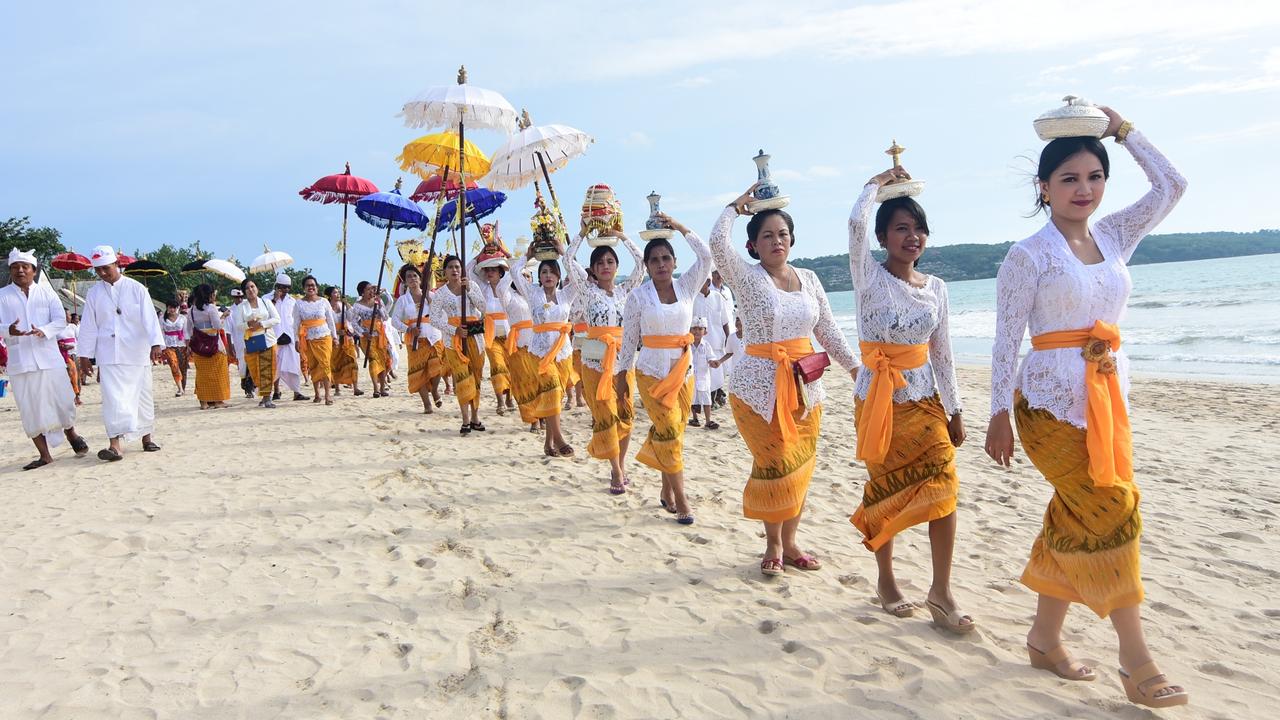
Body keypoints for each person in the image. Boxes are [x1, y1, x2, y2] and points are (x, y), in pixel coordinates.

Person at [984, 108, 1189, 707]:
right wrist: (999, 411)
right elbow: (1005, 339)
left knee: (1077, 514)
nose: (1085, 189)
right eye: (1070, 178)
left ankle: (1045, 639)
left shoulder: (1117, 235)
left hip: (1105, 400)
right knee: (1112, 505)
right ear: (1043, 188)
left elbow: (1173, 186)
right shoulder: (1028, 255)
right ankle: (1136, 658)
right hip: (1047, 406)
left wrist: (1125, 133)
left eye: (1095, 176)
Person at [843, 169, 971, 632]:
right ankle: (886, 581)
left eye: (918, 229)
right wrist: (872, 185)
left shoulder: (936, 288)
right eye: (901, 228)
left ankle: (941, 591)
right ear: (882, 237)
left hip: (926, 403)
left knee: (945, 490)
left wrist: (955, 409)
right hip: (879, 402)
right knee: (885, 491)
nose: (912, 237)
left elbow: (943, 353)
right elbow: (854, 225)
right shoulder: (868, 278)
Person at [710, 188, 859, 572]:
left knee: (800, 465)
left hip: (807, 390)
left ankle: (792, 543)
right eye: (767, 236)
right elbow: (715, 241)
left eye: (783, 235)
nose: (777, 241)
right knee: (775, 463)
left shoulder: (809, 278)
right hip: (756, 391)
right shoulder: (745, 277)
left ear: (792, 239)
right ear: (753, 245)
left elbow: (827, 329)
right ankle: (773, 545)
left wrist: (856, 368)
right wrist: (733, 207)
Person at [617, 212, 710, 524]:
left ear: (674, 261)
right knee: (669, 431)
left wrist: (680, 227)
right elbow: (629, 339)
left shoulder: (686, 288)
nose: (660, 264)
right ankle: (682, 499)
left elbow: (706, 255)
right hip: (651, 373)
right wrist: (621, 375)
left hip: (684, 372)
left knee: (674, 433)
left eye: (665, 258)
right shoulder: (638, 296)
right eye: (654, 260)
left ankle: (665, 489)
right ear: (646, 266)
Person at [565, 225, 646, 493]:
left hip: (623, 363)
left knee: (626, 414)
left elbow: (641, 264)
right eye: (600, 263)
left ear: (616, 265)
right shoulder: (588, 292)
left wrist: (623, 236)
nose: (605, 266)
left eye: (610, 261)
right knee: (606, 416)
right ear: (593, 269)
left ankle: (621, 464)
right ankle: (615, 470)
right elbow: (567, 259)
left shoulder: (626, 292)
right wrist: (583, 233)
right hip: (595, 362)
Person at [2, 248, 90, 469]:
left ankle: (72, 434)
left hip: (49, 358)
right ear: (10, 271)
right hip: (21, 362)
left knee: (62, 400)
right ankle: (44, 455)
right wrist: (8, 330)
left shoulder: (47, 293)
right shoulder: (2, 296)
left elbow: (61, 319)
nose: (20, 270)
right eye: (15, 267)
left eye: (25, 267)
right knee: (29, 408)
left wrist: (44, 330)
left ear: (34, 270)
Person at [76, 245, 165, 461]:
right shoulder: (94, 293)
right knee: (113, 399)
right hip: (108, 353)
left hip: (136, 351)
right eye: (97, 270)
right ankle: (115, 445)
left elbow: (150, 319)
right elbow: (88, 326)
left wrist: (155, 344)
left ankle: (146, 437)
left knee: (142, 395)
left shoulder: (137, 289)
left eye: (106, 268)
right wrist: (85, 355)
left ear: (117, 265)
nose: (102, 274)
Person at [510, 241, 578, 456]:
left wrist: (564, 253)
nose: (548, 275)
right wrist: (528, 256)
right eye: (544, 272)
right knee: (553, 389)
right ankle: (559, 439)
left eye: (552, 272)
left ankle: (548, 443)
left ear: (558, 276)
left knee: (554, 397)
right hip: (539, 352)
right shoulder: (532, 293)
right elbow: (514, 272)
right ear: (539, 276)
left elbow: (582, 277)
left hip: (563, 352)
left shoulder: (567, 294)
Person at [430, 256, 488, 433]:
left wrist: (469, 289)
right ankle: (465, 418)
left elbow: (484, 307)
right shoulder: (440, 293)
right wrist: (452, 329)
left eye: (457, 267)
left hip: (475, 338)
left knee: (476, 378)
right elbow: (433, 318)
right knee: (462, 378)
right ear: (445, 271)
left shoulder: (472, 286)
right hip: (452, 341)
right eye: (451, 268)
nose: (455, 270)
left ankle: (475, 417)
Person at [390, 263, 445, 413]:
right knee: (418, 372)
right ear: (405, 281)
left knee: (438, 367)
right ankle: (427, 404)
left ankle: (434, 390)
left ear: (420, 279)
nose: (412, 278)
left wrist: (428, 296)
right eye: (409, 276)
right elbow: (395, 320)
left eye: (415, 275)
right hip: (415, 340)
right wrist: (409, 329)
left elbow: (441, 313)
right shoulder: (402, 300)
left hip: (433, 337)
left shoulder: (431, 296)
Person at [469, 257, 517, 416]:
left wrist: (506, 257)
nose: (489, 273)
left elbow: (515, 270)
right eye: (487, 270)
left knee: (510, 368)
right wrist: (479, 257)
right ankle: (500, 401)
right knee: (497, 366)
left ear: (501, 273)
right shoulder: (483, 289)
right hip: (490, 335)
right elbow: (469, 272)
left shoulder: (509, 289)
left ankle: (509, 397)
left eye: (493, 270)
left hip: (510, 336)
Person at [500, 261, 540, 432]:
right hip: (518, 344)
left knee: (540, 382)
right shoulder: (508, 295)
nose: (524, 279)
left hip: (538, 344)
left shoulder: (538, 295)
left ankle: (543, 413)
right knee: (524, 383)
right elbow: (501, 288)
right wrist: (513, 269)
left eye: (527, 276)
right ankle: (532, 419)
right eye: (521, 276)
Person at [233, 278, 281, 409]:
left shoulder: (265, 302)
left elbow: (277, 319)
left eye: (252, 286)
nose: (250, 290)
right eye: (247, 288)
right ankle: (263, 394)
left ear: (257, 288)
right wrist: (248, 324)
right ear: (244, 292)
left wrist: (262, 324)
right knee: (255, 370)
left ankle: (267, 398)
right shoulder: (241, 307)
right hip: (251, 341)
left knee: (267, 368)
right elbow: (237, 325)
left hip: (267, 339)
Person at [184, 283, 231, 410]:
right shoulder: (211, 308)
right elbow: (217, 326)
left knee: (202, 374)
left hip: (199, 345)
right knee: (218, 372)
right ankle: (217, 400)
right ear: (209, 295)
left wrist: (187, 345)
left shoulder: (191, 310)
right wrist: (224, 317)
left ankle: (204, 402)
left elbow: (188, 330)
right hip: (213, 344)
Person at [293, 275, 337, 405]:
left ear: (317, 287)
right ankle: (317, 394)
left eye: (313, 285)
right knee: (313, 366)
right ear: (304, 288)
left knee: (325, 364)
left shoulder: (324, 302)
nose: (310, 287)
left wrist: (335, 337)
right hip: (308, 339)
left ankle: (328, 395)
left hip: (324, 336)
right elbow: (295, 324)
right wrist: (296, 340)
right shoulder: (299, 304)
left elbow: (330, 320)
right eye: (308, 285)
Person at [350, 280, 391, 397]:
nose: (371, 291)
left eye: (372, 289)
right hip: (367, 338)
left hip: (380, 336)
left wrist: (379, 303)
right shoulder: (357, 306)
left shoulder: (378, 301)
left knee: (383, 360)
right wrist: (363, 332)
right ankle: (375, 388)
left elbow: (386, 317)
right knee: (373, 360)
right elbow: (353, 322)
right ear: (362, 292)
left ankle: (383, 388)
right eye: (368, 289)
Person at [693, 276, 729, 408]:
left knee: (717, 376)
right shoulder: (693, 299)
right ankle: (700, 403)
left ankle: (713, 399)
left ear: (708, 282)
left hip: (717, 342)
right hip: (699, 344)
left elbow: (725, 321)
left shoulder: (717, 297)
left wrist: (728, 338)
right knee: (700, 374)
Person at [270, 274, 307, 401]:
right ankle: (276, 391)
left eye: (288, 288)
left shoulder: (292, 301)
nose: (285, 290)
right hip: (273, 337)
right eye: (282, 287)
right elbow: (265, 314)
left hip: (290, 337)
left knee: (293, 364)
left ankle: (296, 392)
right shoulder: (266, 299)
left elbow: (296, 320)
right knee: (274, 365)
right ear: (276, 286)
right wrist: (274, 300)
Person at [326, 285, 362, 396]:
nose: (337, 294)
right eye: (335, 293)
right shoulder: (326, 308)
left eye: (338, 292)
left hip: (347, 337)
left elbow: (351, 318)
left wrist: (346, 303)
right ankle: (337, 388)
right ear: (329, 295)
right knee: (335, 362)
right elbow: (325, 324)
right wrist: (336, 333)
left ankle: (355, 387)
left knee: (352, 361)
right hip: (334, 337)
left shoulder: (343, 306)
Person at [710, 269, 736, 404]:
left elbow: (730, 314)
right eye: (716, 273)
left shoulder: (727, 291)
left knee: (727, 365)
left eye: (722, 274)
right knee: (715, 364)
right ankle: (715, 393)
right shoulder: (708, 291)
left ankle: (719, 391)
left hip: (730, 332)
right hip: (714, 333)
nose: (720, 276)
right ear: (712, 275)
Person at [687, 317, 717, 429]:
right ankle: (695, 418)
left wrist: (713, 362)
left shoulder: (707, 345)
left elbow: (711, 358)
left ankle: (708, 420)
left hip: (703, 377)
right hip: (690, 376)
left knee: (706, 399)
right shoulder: (687, 345)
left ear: (705, 331)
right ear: (690, 330)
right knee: (692, 398)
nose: (697, 331)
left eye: (700, 329)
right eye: (694, 328)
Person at [227, 288, 253, 398]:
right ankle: (245, 384)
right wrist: (230, 346)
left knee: (251, 364)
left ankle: (250, 387)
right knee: (242, 366)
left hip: (251, 339)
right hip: (238, 342)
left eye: (242, 297)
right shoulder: (231, 312)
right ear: (233, 298)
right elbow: (228, 331)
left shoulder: (248, 308)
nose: (240, 299)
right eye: (237, 297)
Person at [160, 300, 188, 397]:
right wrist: (162, 347)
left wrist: (188, 344)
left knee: (183, 367)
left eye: (174, 308)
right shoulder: (162, 319)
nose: (172, 310)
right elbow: (161, 332)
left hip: (181, 344)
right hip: (168, 345)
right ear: (167, 308)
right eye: (170, 307)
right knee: (173, 365)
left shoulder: (182, 318)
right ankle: (179, 388)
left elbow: (186, 332)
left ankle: (183, 387)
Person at [56, 311, 82, 405]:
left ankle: (77, 396)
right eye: (68, 314)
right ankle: (71, 396)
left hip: (74, 353)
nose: (70, 316)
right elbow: (54, 341)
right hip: (62, 355)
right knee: (68, 376)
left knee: (77, 376)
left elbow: (79, 338)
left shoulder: (73, 327)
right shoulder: (57, 328)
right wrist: (61, 346)